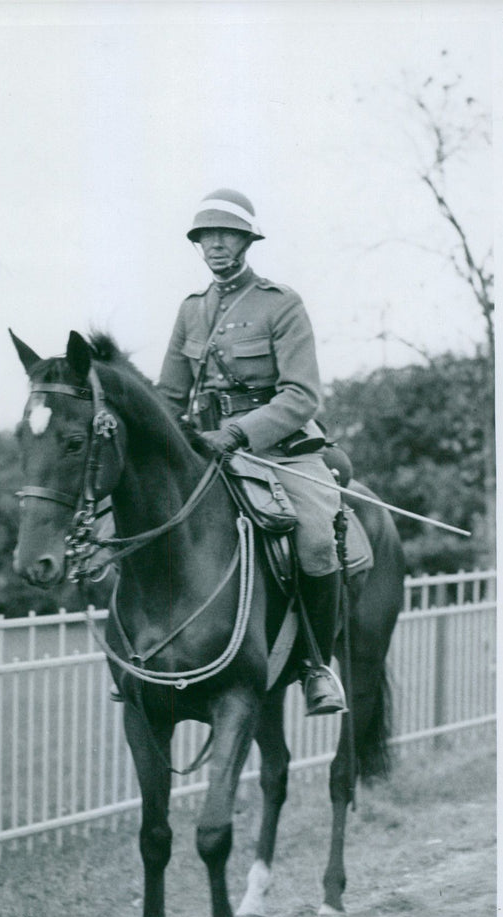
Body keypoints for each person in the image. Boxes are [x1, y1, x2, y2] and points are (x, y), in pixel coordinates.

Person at [157, 188, 345, 716]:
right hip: (208, 453)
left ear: (246, 240)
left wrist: (239, 434)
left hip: (279, 451)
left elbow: (301, 394)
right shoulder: (191, 311)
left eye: (226, 235)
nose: (215, 245)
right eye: (206, 237)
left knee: (313, 542)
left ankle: (316, 666)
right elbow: (170, 395)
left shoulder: (279, 303)